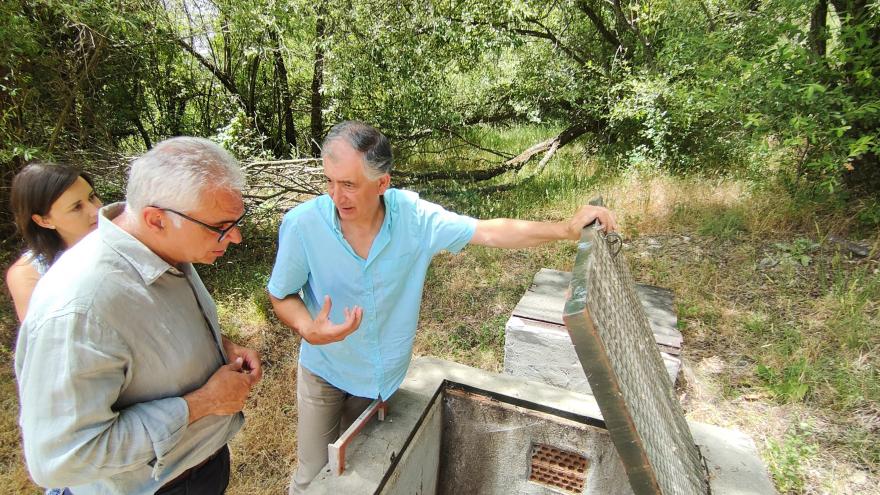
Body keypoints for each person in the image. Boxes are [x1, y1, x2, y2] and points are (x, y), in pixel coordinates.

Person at [267, 120, 618, 493]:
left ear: (383, 184)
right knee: (311, 478)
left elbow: (489, 231)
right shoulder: (303, 225)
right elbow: (281, 294)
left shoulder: (415, 220)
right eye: (330, 182)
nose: (337, 196)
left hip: (379, 379)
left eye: (349, 185)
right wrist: (307, 327)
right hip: (324, 371)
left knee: (358, 474)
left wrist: (564, 228)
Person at [15, 137, 263, 495]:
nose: (235, 237)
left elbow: (151, 332)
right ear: (155, 218)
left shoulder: (164, 247)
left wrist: (221, 346)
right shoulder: (79, 307)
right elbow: (61, 458)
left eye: (236, 221)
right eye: (220, 226)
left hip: (200, 469)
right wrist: (203, 403)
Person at [6, 162, 103, 321]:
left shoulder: (124, 236)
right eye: (76, 207)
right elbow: (43, 339)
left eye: (92, 197)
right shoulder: (29, 274)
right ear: (43, 221)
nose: (96, 210)